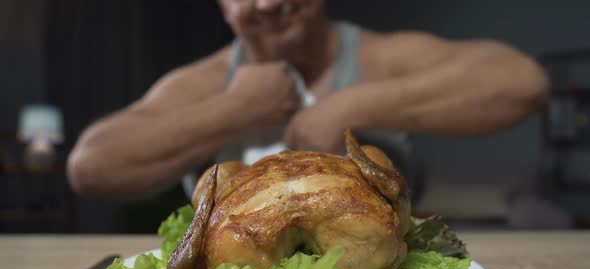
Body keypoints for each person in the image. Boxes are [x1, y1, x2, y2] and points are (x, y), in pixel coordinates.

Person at [67, 0, 549, 200]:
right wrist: (235, 111)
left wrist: (347, 107)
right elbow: (90, 166)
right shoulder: (206, 82)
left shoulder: (378, 57)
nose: (267, 4)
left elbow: (520, 82)